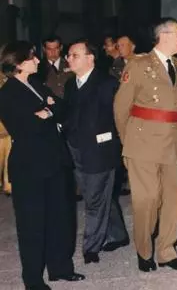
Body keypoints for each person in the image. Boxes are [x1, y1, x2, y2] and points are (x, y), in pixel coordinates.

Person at [0, 41, 84, 290]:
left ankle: (60, 268)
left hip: (55, 161)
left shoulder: (36, 84)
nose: (38, 61)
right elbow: (25, 128)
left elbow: (63, 109)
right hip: (29, 167)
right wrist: (48, 111)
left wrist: (46, 111)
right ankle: (33, 280)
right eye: (32, 58)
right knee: (32, 225)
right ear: (18, 63)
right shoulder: (7, 94)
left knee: (60, 218)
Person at [114, 18, 177, 272]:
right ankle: (144, 250)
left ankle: (167, 251)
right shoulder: (138, 65)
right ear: (165, 36)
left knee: (173, 198)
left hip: (174, 141)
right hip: (142, 142)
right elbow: (121, 107)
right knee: (146, 199)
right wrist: (128, 143)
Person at [62, 39, 129, 265]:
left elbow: (120, 117)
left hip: (100, 151)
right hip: (76, 149)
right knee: (101, 195)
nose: (68, 59)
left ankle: (91, 247)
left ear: (90, 58)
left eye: (74, 55)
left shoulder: (107, 84)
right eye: (69, 55)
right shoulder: (71, 85)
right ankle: (118, 235)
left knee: (94, 200)